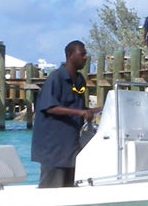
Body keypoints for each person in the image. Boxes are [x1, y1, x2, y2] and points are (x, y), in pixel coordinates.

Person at [31, 40, 98, 188]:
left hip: (72, 147)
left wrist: (97, 109)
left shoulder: (80, 80)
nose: (85, 57)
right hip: (54, 149)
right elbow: (49, 107)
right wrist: (80, 112)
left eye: (86, 54)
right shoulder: (56, 78)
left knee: (70, 187)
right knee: (52, 189)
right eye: (82, 54)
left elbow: (77, 106)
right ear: (70, 55)